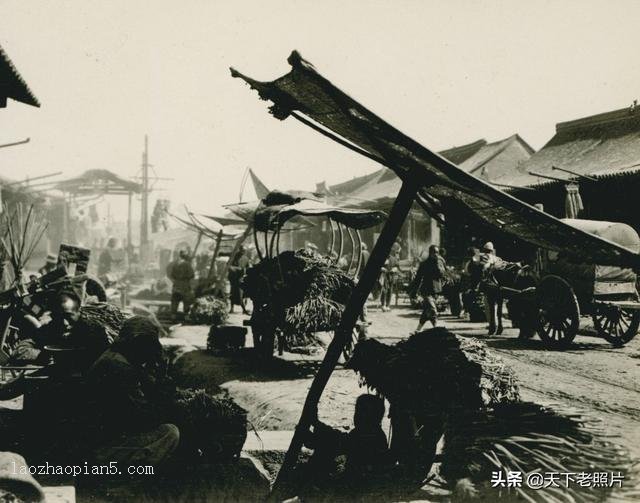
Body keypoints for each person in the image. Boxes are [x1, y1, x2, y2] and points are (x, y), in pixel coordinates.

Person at [84, 316, 179, 467]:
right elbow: (144, 419)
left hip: (100, 439)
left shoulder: (115, 355)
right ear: (138, 344)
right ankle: (133, 477)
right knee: (170, 432)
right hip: (103, 450)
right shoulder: (120, 368)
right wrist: (162, 382)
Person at [304, 394, 390, 481]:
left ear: (375, 417)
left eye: (364, 413)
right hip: (361, 477)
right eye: (357, 412)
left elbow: (342, 443)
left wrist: (317, 427)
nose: (358, 416)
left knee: (326, 447)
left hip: (361, 480)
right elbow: (342, 439)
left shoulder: (369, 436)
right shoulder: (370, 433)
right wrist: (318, 425)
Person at [411, 245, 446, 332]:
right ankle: (437, 329)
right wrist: (414, 291)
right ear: (430, 253)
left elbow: (442, 275)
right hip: (426, 290)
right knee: (432, 310)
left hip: (435, 291)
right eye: (434, 252)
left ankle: (418, 329)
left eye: (437, 252)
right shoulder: (424, 264)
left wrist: (438, 264)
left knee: (426, 312)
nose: (436, 254)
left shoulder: (439, 263)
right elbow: (418, 278)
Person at [168, 250, 195, 319]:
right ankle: (186, 317)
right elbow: (191, 275)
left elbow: (172, 275)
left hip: (176, 285)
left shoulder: (175, 264)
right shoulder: (187, 264)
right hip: (185, 285)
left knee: (175, 300)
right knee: (186, 301)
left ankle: (173, 316)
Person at [228, 246, 250, 314]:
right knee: (233, 293)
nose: (243, 251)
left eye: (244, 250)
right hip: (233, 278)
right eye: (242, 250)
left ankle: (243, 309)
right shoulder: (234, 257)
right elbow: (228, 266)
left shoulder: (246, 258)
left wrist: (245, 273)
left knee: (241, 294)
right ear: (239, 249)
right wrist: (236, 269)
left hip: (240, 278)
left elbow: (248, 268)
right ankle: (232, 309)